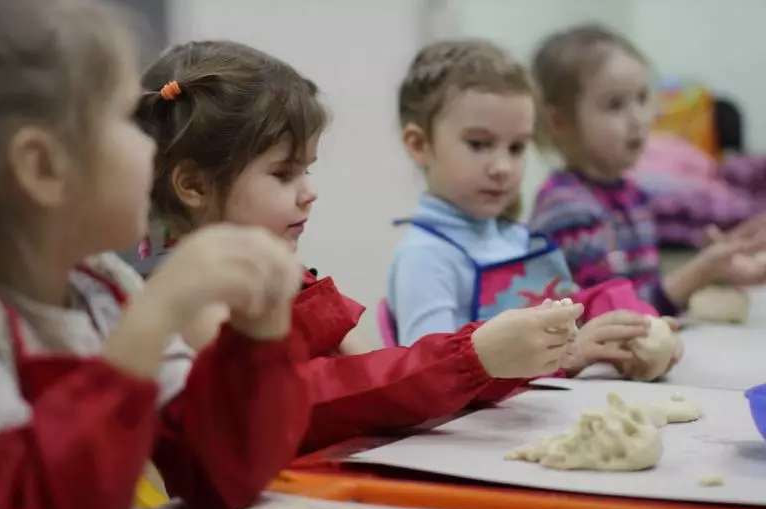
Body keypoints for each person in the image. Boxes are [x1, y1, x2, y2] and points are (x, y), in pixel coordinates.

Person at [134, 39, 585, 455]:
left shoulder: (291, 276)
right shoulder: (191, 300)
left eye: (306, 170)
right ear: (193, 184)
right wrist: (475, 359)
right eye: (283, 174)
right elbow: (299, 401)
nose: (309, 192)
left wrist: (498, 364)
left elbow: (381, 376)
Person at [0, 1, 314, 509]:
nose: (153, 144)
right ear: (42, 167)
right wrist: (149, 323)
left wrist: (256, 340)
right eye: (127, 119)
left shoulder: (106, 287)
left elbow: (219, 474)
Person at [386, 39, 677, 378]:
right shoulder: (426, 258)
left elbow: (581, 304)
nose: (502, 167)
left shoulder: (517, 238)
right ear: (419, 145)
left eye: (516, 147)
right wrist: (569, 355)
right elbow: (431, 377)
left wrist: (639, 325)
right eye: (479, 144)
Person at [528, 24, 766, 315]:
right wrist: (696, 274)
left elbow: (647, 296)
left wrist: (718, 268)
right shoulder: (568, 212)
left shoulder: (632, 194)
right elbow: (607, 318)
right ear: (559, 123)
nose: (638, 118)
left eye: (642, 99)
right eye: (615, 105)